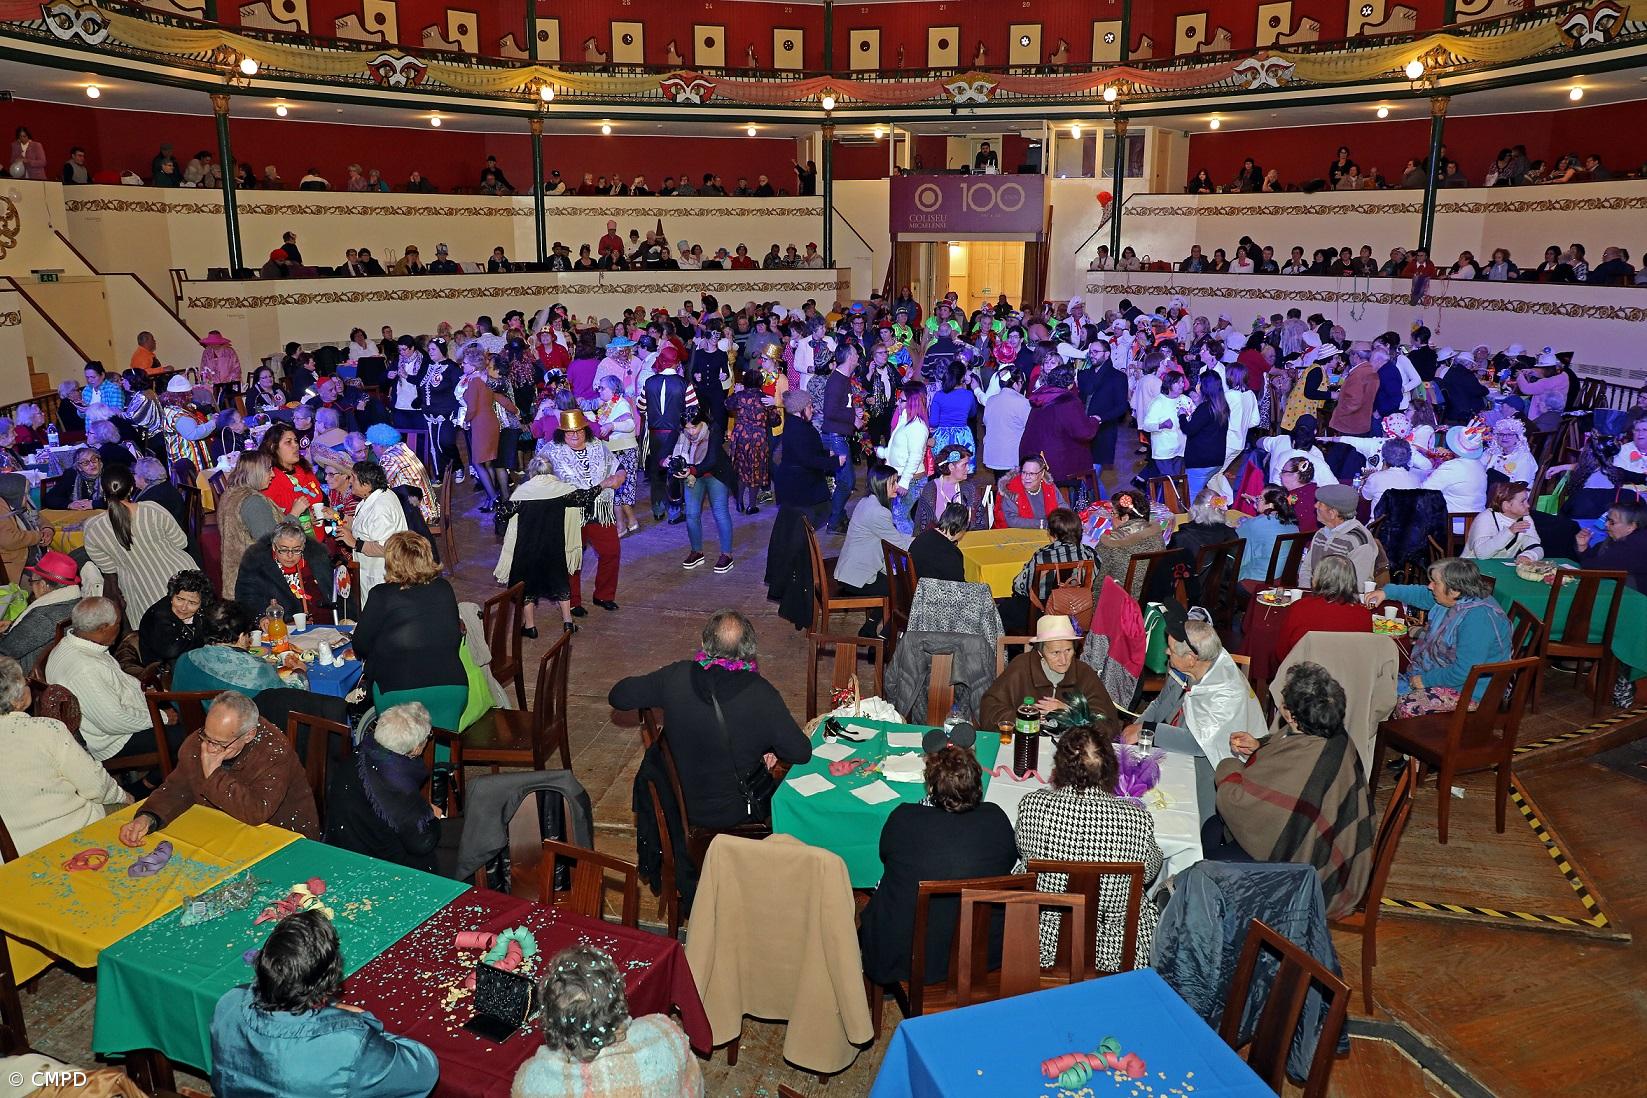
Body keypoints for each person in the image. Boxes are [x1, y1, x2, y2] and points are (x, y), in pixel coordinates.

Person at [609, 610, 810, 829]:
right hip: (733, 812)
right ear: (750, 650)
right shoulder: (760, 693)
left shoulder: (676, 676)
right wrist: (766, 749)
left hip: (677, 804)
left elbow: (618, 696)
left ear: (704, 643)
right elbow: (800, 752)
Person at [210, 909, 437, 1098]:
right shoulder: (347, 1044)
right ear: (329, 983)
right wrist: (363, 1022)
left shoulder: (229, 1003)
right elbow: (424, 1070)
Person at [1207, 661, 1373, 917]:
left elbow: (1237, 802)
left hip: (1308, 879)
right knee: (1211, 829)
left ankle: (1230, 925)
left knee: (1209, 842)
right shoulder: (1331, 733)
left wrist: (1227, 766)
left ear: (1290, 715)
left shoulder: (1307, 762)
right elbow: (1287, 742)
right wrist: (1260, 745)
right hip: (1336, 854)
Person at [858, 743, 1017, 986]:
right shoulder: (996, 819)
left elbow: (886, 855)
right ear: (978, 787)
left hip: (905, 956)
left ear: (931, 786)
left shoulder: (903, 818)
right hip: (982, 955)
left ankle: (891, 988)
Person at [1016, 723, 1163, 971]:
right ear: (1109, 768)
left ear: (1059, 766)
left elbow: (1023, 851)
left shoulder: (1033, 806)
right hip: (1115, 949)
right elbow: (1149, 871)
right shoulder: (1136, 818)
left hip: (1041, 941)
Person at [119, 690, 318, 843]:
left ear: (248, 735)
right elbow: (177, 788)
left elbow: (256, 811)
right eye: (207, 736)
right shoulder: (200, 742)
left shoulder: (273, 752)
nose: (209, 748)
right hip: (222, 830)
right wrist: (149, 816)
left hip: (280, 835)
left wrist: (213, 774)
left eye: (220, 743)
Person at [511, 945, 704, 1097]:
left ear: (551, 1023)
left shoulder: (532, 1081)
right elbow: (695, 1088)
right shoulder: (667, 1032)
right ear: (618, 998)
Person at [0, 655, 131, 855]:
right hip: (70, 833)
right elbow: (94, 785)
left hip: (12, 854)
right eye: (25, 681)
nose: (29, 684)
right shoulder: (45, 729)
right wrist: (123, 797)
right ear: (17, 700)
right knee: (138, 816)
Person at [352, 532, 467, 733]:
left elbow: (361, 645)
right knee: (441, 755)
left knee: (398, 756)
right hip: (450, 688)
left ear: (391, 562)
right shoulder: (444, 588)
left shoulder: (381, 595)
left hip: (399, 689)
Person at [1368, 557, 1513, 716]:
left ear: (1455, 590)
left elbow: (1465, 671)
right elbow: (1422, 594)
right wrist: (1386, 592)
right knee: (1375, 677)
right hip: (1446, 674)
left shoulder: (1478, 619)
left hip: (1471, 691)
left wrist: (1425, 680)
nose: (1430, 587)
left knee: (1400, 703)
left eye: (1435, 583)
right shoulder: (1456, 597)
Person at [1125, 617, 1266, 770]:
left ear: (1191, 659)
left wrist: (1147, 730)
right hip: (1171, 740)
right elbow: (1160, 702)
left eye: (1171, 650)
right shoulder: (1185, 665)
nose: (1166, 651)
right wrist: (1139, 725)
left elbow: (1198, 744)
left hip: (1210, 762)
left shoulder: (1228, 694)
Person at [46, 598, 173, 766]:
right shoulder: (85, 669)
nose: (120, 629)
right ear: (103, 628)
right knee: (192, 736)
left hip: (128, 716)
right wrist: (163, 717)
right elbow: (114, 721)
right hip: (116, 740)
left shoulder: (77, 643)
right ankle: (145, 786)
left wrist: (148, 692)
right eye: (118, 623)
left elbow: (118, 681)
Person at [323, 702, 441, 873]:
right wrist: (434, 820)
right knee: (459, 849)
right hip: (377, 866)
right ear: (416, 748)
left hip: (342, 846)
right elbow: (421, 843)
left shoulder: (361, 752)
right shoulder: (396, 782)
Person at [82, 466, 195, 630]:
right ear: (132, 487)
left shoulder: (92, 528)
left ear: (102, 491)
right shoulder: (152, 509)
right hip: (181, 581)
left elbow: (109, 569)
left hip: (140, 594)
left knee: (158, 640)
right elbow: (181, 542)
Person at [980, 614, 1116, 732]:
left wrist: (1070, 713)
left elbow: (1109, 724)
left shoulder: (1084, 674)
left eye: (1068, 650)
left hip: (1070, 749)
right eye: (1055, 653)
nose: (1063, 660)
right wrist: (1021, 717)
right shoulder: (1021, 667)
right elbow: (989, 710)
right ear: (1041, 652)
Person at [833, 467, 909, 635]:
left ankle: (870, 627)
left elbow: (893, 535)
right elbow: (900, 546)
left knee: (895, 582)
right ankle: (885, 637)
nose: (897, 486)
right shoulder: (878, 512)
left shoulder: (867, 501)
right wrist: (927, 543)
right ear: (881, 485)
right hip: (858, 578)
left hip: (850, 570)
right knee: (905, 590)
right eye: (893, 482)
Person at [1001, 507, 1100, 635]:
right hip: (1077, 611)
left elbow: (1020, 587)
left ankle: (1013, 650)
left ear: (1053, 535)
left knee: (1003, 611)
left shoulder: (1042, 556)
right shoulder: (1090, 554)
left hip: (1043, 615)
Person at [671, 409, 739, 574]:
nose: (691, 432)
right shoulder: (682, 435)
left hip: (716, 475)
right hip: (693, 476)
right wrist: (666, 460)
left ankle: (726, 554)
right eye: (687, 429)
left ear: (703, 423)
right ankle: (697, 551)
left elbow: (711, 461)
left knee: (720, 513)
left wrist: (691, 471)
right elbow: (664, 451)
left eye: (694, 427)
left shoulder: (713, 432)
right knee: (691, 514)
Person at [1275, 554, 1374, 666]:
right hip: (1347, 679)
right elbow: (1365, 656)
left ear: (1318, 579)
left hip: (1303, 678)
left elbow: (1281, 653)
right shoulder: (1363, 615)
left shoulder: (1299, 608)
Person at [235, 521, 335, 623]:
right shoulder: (256, 565)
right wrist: (261, 618)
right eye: (283, 550)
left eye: (296, 550)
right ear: (274, 547)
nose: (290, 556)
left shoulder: (316, 562)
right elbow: (246, 600)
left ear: (303, 547)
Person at [336, 461, 406, 605]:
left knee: (379, 615)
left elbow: (387, 548)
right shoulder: (375, 496)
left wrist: (354, 543)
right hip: (373, 571)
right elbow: (363, 525)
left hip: (382, 574)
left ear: (366, 484)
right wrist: (338, 516)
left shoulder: (381, 508)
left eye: (353, 478)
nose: (350, 482)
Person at [0, 551, 82, 672]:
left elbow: (6, 650)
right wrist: (11, 627)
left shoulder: (43, 616)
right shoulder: (76, 602)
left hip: (24, 672)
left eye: (32, 582)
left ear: (43, 585)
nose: (32, 587)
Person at [217, 451, 284, 598]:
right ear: (256, 472)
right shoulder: (253, 501)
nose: (273, 474)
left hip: (235, 574)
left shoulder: (230, 494)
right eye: (269, 469)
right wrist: (295, 516)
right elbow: (273, 542)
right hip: (257, 582)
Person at [1298, 483, 1381, 588]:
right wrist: (1306, 594)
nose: (1315, 506)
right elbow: (1306, 569)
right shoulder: (1321, 534)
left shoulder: (1359, 541)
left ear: (1333, 513)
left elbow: (1357, 585)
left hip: (1343, 600)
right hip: (1316, 597)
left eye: (1320, 503)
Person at [772, 389, 833, 527]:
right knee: (802, 526)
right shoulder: (797, 429)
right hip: (797, 488)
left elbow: (808, 451)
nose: (813, 409)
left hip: (800, 485)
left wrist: (826, 454)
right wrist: (834, 462)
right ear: (800, 409)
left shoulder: (798, 425)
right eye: (810, 406)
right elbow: (808, 459)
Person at [878, 382, 931, 535]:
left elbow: (915, 457)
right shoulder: (905, 420)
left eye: (901, 400)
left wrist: (904, 482)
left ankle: (908, 553)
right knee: (898, 517)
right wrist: (883, 453)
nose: (897, 403)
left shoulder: (917, 426)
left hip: (912, 480)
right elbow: (899, 449)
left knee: (900, 518)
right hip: (902, 477)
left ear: (912, 402)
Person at [260, 422, 328, 541]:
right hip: (291, 545)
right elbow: (269, 526)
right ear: (273, 447)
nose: (296, 445)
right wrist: (298, 517)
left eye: (295, 441)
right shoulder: (269, 479)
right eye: (288, 442)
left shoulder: (304, 469)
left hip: (318, 539)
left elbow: (318, 498)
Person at [725, 369, 779, 516]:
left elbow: (727, 405)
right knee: (755, 469)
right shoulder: (765, 399)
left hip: (740, 436)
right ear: (760, 382)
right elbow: (775, 421)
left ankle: (739, 501)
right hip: (758, 438)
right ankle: (751, 505)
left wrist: (737, 392)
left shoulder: (740, 397)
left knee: (742, 469)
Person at [1094, 489, 1165, 600]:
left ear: (1125, 518)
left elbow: (1097, 583)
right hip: (1154, 603)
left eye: (1113, 513)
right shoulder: (1158, 536)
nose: (1111, 519)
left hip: (1121, 606)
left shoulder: (1110, 543)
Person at [136, 568, 211, 667]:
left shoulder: (203, 612)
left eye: (192, 603)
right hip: (163, 672)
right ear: (171, 596)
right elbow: (171, 650)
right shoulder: (159, 615)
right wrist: (203, 641)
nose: (183, 608)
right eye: (179, 599)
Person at [911, 444, 987, 532]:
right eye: (964, 465)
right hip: (936, 541)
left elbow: (979, 523)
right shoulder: (931, 489)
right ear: (951, 467)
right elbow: (923, 527)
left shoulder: (969, 489)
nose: (968, 469)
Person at [1575, 500, 1647, 591]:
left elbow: (1593, 568)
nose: (1606, 524)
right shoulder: (1616, 539)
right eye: (1607, 519)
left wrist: (1585, 555)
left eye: (1612, 522)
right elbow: (1594, 562)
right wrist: (1583, 547)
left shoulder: (1635, 545)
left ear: (1631, 527)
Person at [1464, 479, 1543, 562]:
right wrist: (1509, 532)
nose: (1528, 505)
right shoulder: (1486, 518)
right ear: (1506, 505)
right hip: (1471, 568)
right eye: (1522, 502)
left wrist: (1529, 556)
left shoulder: (1525, 518)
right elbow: (1481, 554)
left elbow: (1535, 546)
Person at [1236, 487, 1299, 584]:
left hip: (1259, 578)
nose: (1257, 500)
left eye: (1260, 498)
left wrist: (1244, 524)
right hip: (1285, 578)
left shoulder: (1255, 524)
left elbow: (1236, 541)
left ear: (1270, 504)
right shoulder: (1293, 525)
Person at [981, 369, 1032, 482]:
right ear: (1016, 383)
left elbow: (986, 421)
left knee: (1001, 488)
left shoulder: (991, 400)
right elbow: (1030, 427)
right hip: (1011, 455)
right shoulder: (1023, 402)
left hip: (994, 454)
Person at [0, 472, 52, 580]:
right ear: (14, 494)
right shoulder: (2, 511)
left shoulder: (18, 504)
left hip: (35, 558)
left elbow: (38, 517)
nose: (28, 496)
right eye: (26, 493)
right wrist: (38, 536)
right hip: (17, 567)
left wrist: (47, 529)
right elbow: (10, 540)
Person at [992, 455, 1064, 529]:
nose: (1027, 477)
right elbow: (1011, 520)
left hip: (1048, 532)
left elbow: (1063, 508)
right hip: (1015, 535)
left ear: (1042, 473)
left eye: (1032, 473)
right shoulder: (1011, 489)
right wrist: (1042, 524)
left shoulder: (1049, 486)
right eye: (1024, 472)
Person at [908, 501, 970, 583]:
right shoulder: (951, 553)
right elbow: (959, 586)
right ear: (959, 529)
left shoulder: (923, 536)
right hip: (932, 593)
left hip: (916, 587)